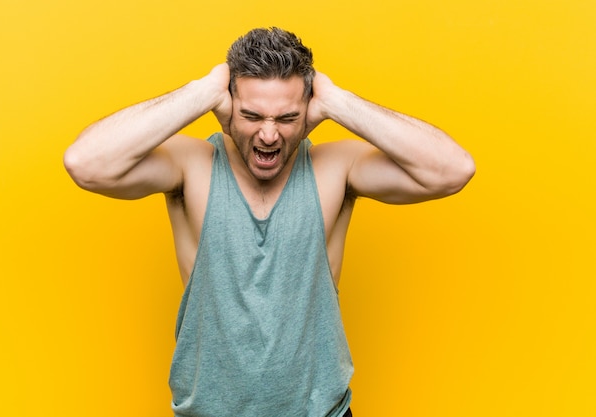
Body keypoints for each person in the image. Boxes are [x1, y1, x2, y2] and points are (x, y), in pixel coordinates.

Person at [64, 27, 475, 417]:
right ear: (226, 106)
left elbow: (452, 170)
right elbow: (86, 164)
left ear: (309, 110)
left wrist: (338, 102)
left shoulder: (335, 169)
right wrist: (201, 92)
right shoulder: (191, 166)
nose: (268, 135)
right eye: (252, 115)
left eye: (286, 118)